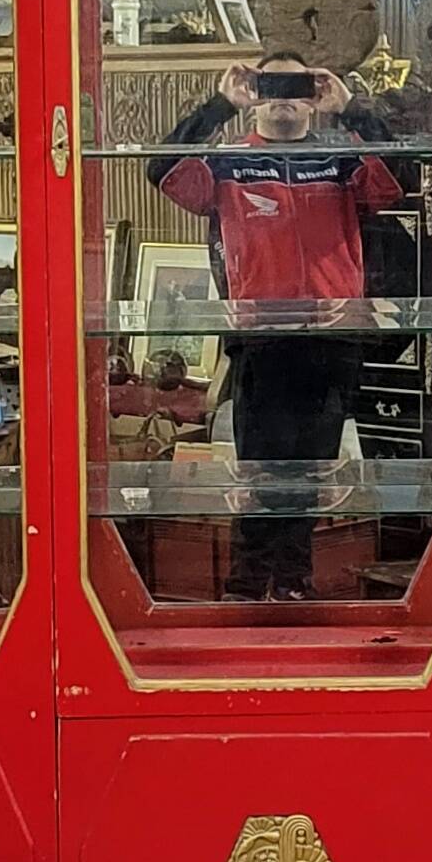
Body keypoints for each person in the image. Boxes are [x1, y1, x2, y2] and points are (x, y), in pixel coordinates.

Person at [147, 51, 403, 601]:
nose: (284, 96)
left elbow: (402, 177)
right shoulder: (227, 164)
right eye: (271, 85)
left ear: (313, 97)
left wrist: (351, 109)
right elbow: (161, 170)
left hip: (332, 339)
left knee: (313, 471)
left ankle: (292, 583)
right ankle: (246, 585)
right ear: (255, 96)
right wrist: (221, 105)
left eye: (297, 85)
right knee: (259, 470)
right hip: (259, 339)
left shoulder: (342, 161)